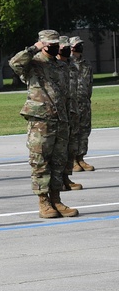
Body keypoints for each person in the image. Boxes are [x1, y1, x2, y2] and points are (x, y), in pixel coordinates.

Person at [8, 30, 78, 219]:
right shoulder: (33, 63)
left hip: (61, 119)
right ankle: (43, 202)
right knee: (40, 161)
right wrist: (33, 48)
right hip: (41, 120)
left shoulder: (61, 65)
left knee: (58, 162)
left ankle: (56, 199)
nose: (55, 47)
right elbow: (14, 63)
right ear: (43, 44)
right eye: (51, 44)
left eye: (57, 43)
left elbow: (66, 92)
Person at [56, 37, 82, 192]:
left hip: (72, 109)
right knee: (59, 149)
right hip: (59, 112)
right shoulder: (52, 66)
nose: (65, 50)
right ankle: (58, 181)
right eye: (62, 47)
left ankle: (66, 177)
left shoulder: (71, 65)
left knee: (71, 147)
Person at [69, 36, 95, 173]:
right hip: (71, 103)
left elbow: (90, 83)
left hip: (84, 103)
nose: (78, 47)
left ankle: (81, 158)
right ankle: (72, 160)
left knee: (84, 131)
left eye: (80, 45)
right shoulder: (65, 63)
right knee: (73, 132)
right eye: (76, 45)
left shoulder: (87, 64)